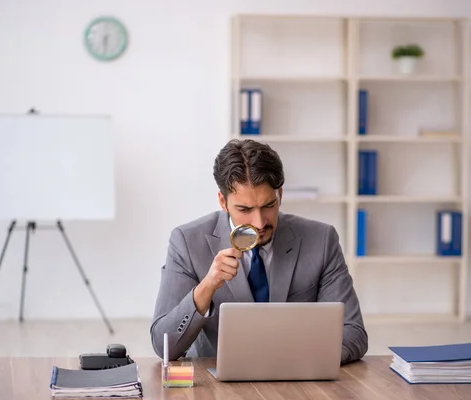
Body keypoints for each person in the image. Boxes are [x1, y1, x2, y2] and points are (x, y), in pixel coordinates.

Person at [150, 139, 368, 364]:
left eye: (268, 205)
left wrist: (300, 361)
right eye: (245, 209)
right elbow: (163, 345)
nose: (259, 222)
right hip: (216, 386)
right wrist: (206, 287)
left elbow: (354, 334)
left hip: (299, 379)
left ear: (280, 195)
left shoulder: (321, 240)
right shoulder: (187, 242)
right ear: (223, 202)